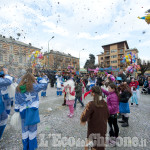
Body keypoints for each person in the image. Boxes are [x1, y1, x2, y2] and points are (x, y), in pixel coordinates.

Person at [15, 72, 47, 150]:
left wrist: (16, 110)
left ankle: (25, 147)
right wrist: (40, 78)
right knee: (32, 130)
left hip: (23, 111)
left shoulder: (18, 88)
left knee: (24, 129)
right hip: (32, 111)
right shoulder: (34, 87)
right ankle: (31, 147)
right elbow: (45, 84)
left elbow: (16, 101)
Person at [0, 68, 13, 140]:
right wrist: (6, 73)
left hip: (3, 99)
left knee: (5, 115)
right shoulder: (2, 80)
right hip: (3, 98)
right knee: (4, 117)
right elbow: (8, 81)